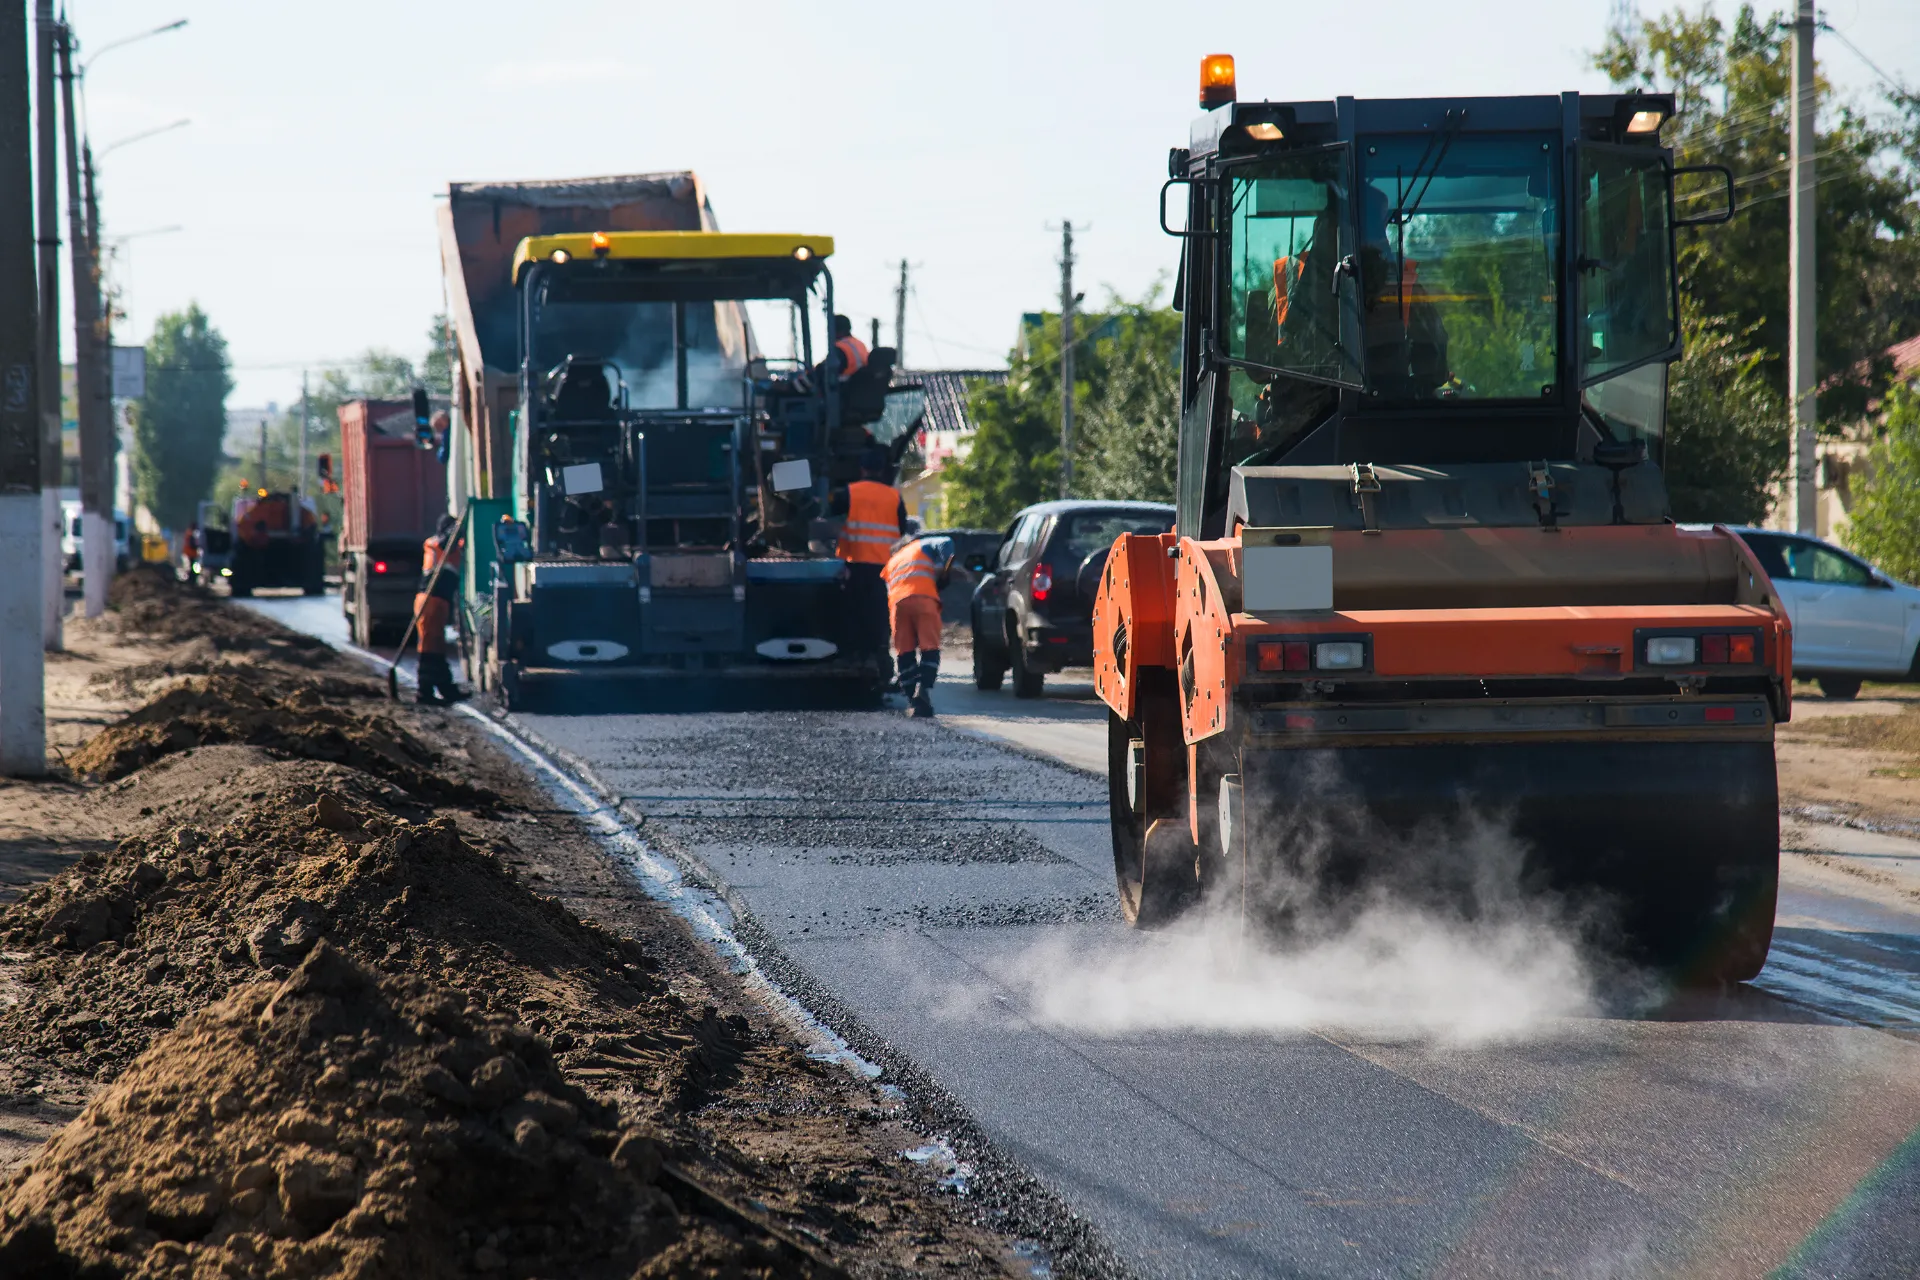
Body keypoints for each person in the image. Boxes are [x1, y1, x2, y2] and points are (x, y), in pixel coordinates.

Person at [829, 448, 906, 667]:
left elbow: (830, 524)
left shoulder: (849, 493)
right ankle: (878, 654)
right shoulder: (894, 497)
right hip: (884, 567)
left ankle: (852, 654)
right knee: (879, 611)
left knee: (853, 610)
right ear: (882, 470)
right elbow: (900, 530)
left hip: (854, 564)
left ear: (862, 469)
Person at [883, 534, 953, 718]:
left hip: (898, 605)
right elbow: (946, 542)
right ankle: (923, 689)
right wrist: (946, 569)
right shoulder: (919, 545)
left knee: (904, 652)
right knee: (929, 647)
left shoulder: (890, 564)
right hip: (924, 600)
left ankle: (913, 701)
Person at [413, 514, 465, 705]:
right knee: (428, 647)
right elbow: (445, 543)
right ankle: (423, 691)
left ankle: (446, 688)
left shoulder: (452, 547)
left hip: (438, 602)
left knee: (437, 646)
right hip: (430, 600)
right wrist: (455, 530)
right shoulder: (434, 544)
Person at [829, 314, 868, 382]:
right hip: (861, 386)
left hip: (845, 389)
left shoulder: (840, 348)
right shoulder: (860, 344)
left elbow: (827, 369)